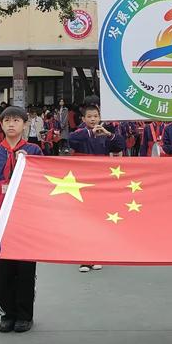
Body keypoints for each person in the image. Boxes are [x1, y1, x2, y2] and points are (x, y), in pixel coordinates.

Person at [0, 106, 43, 333]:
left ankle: (24, 315)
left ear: (24, 125)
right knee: (3, 271)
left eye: (16, 120)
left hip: (26, 218)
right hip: (0, 219)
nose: (11, 124)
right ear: (1, 124)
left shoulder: (34, 150)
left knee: (25, 270)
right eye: (7, 120)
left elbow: (43, 182)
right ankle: (7, 313)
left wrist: (26, 162)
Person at [69, 105, 125, 272]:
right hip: (82, 180)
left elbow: (120, 146)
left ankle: (97, 255)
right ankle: (84, 258)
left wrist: (108, 134)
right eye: (89, 117)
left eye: (95, 116)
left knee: (99, 217)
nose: (93, 119)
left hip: (101, 179)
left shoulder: (105, 133)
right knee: (84, 219)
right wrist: (89, 133)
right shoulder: (80, 133)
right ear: (83, 119)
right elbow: (72, 140)